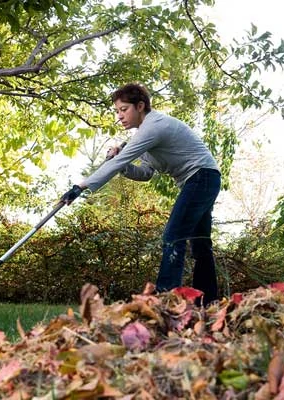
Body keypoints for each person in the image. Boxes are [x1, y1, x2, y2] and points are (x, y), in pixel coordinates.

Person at [61, 83, 221, 306]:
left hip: (201, 177)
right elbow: (145, 173)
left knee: (173, 236)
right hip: (203, 179)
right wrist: (121, 163)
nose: (119, 116)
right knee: (200, 244)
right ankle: (209, 301)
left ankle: (165, 302)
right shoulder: (145, 135)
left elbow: (121, 160)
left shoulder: (153, 126)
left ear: (140, 106)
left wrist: (81, 186)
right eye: (117, 111)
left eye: (124, 109)